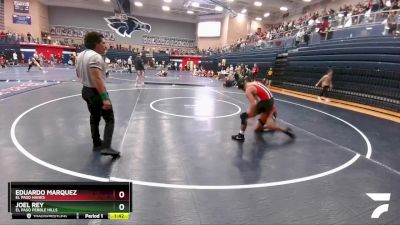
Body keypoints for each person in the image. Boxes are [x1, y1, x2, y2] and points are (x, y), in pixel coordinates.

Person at [76, 31, 120, 158]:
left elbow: (78, 75)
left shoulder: (80, 55)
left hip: (85, 91)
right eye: (103, 43)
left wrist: (86, 80)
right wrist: (105, 98)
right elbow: (97, 78)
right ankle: (106, 147)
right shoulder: (95, 57)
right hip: (96, 92)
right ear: (96, 44)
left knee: (94, 117)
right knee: (109, 118)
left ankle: (96, 143)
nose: (105, 46)